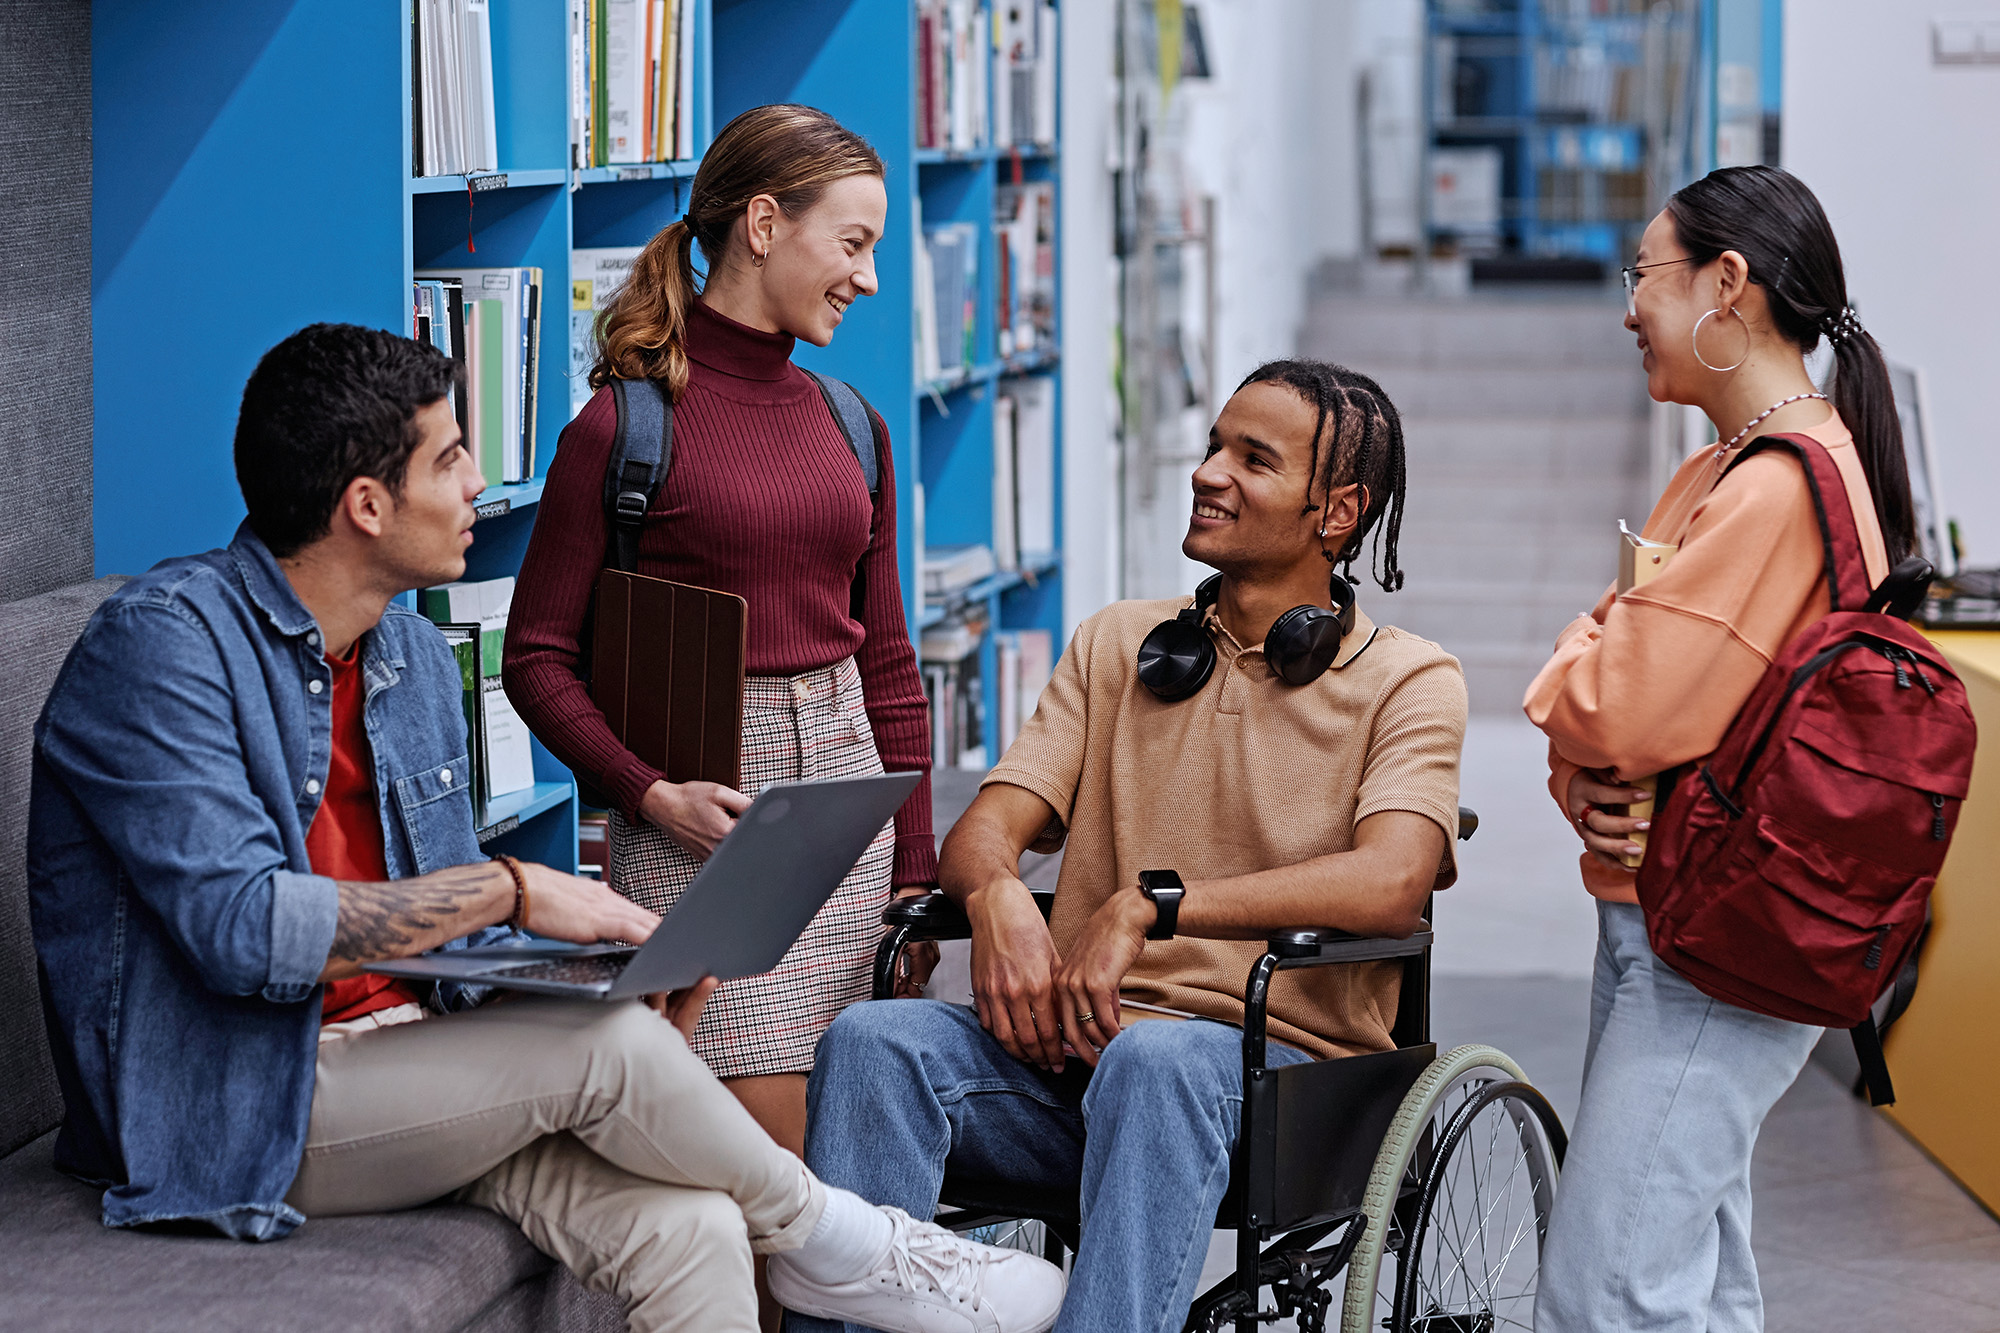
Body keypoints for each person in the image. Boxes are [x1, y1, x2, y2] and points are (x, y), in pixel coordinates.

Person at [27, 323, 1063, 1333]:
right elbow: (240, 929)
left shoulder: (411, 659)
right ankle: (838, 1240)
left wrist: (596, 970)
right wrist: (514, 888)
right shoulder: (160, 651)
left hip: (417, 1060)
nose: (479, 482)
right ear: (367, 505)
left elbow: (447, 943)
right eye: (451, 457)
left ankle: (815, 1241)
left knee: (693, 1227)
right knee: (609, 1055)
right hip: (237, 1098)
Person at [789, 360, 1468, 1333]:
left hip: (1280, 1092)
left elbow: (1391, 880)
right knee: (873, 1042)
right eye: (1211, 446)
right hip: (1065, 1068)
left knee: (1156, 1061)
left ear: (1338, 510)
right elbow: (987, 830)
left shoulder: (1408, 679)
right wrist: (997, 903)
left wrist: (1148, 905)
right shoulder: (1116, 645)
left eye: (1252, 459)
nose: (1208, 471)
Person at [504, 104, 936, 1167]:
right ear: (760, 223)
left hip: (849, 818)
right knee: (762, 1178)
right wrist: (649, 794)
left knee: (850, 1164)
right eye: (852, 243)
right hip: (703, 832)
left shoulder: (853, 424)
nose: (866, 278)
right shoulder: (622, 427)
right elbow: (535, 658)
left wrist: (913, 877)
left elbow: (885, 662)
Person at [1525, 165, 1915, 1332]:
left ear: (1725, 285)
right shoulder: (1727, 466)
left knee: (1605, 1290)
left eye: (1643, 274)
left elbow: (1613, 699)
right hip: (1676, 921)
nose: (1628, 306)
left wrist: (1577, 686)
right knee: (1684, 1272)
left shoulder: (1771, 488)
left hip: (1709, 950)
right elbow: (1614, 716)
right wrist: (1587, 764)